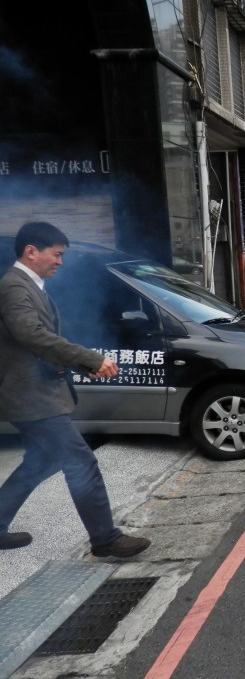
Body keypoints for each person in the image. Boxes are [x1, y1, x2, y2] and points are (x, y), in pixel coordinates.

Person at [0, 222, 151, 557]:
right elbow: (32, 336)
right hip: (31, 399)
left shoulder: (30, 286)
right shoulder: (14, 287)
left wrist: (82, 364)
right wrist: (90, 359)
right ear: (31, 251)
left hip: (36, 392)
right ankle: (105, 538)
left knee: (38, 462)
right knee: (81, 461)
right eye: (56, 254)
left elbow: (36, 341)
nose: (60, 262)